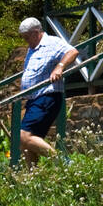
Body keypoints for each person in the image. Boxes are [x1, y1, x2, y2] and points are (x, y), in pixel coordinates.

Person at [16, 18, 77, 165]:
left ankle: (63, 163)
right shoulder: (32, 48)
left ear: (36, 33)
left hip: (46, 96)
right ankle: (34, 179)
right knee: (27, 143)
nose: (26, 42)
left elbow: (72, 51)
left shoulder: (52, 43)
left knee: (23, 136)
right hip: (34, 100)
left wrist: (60, 67)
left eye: (27, 37)